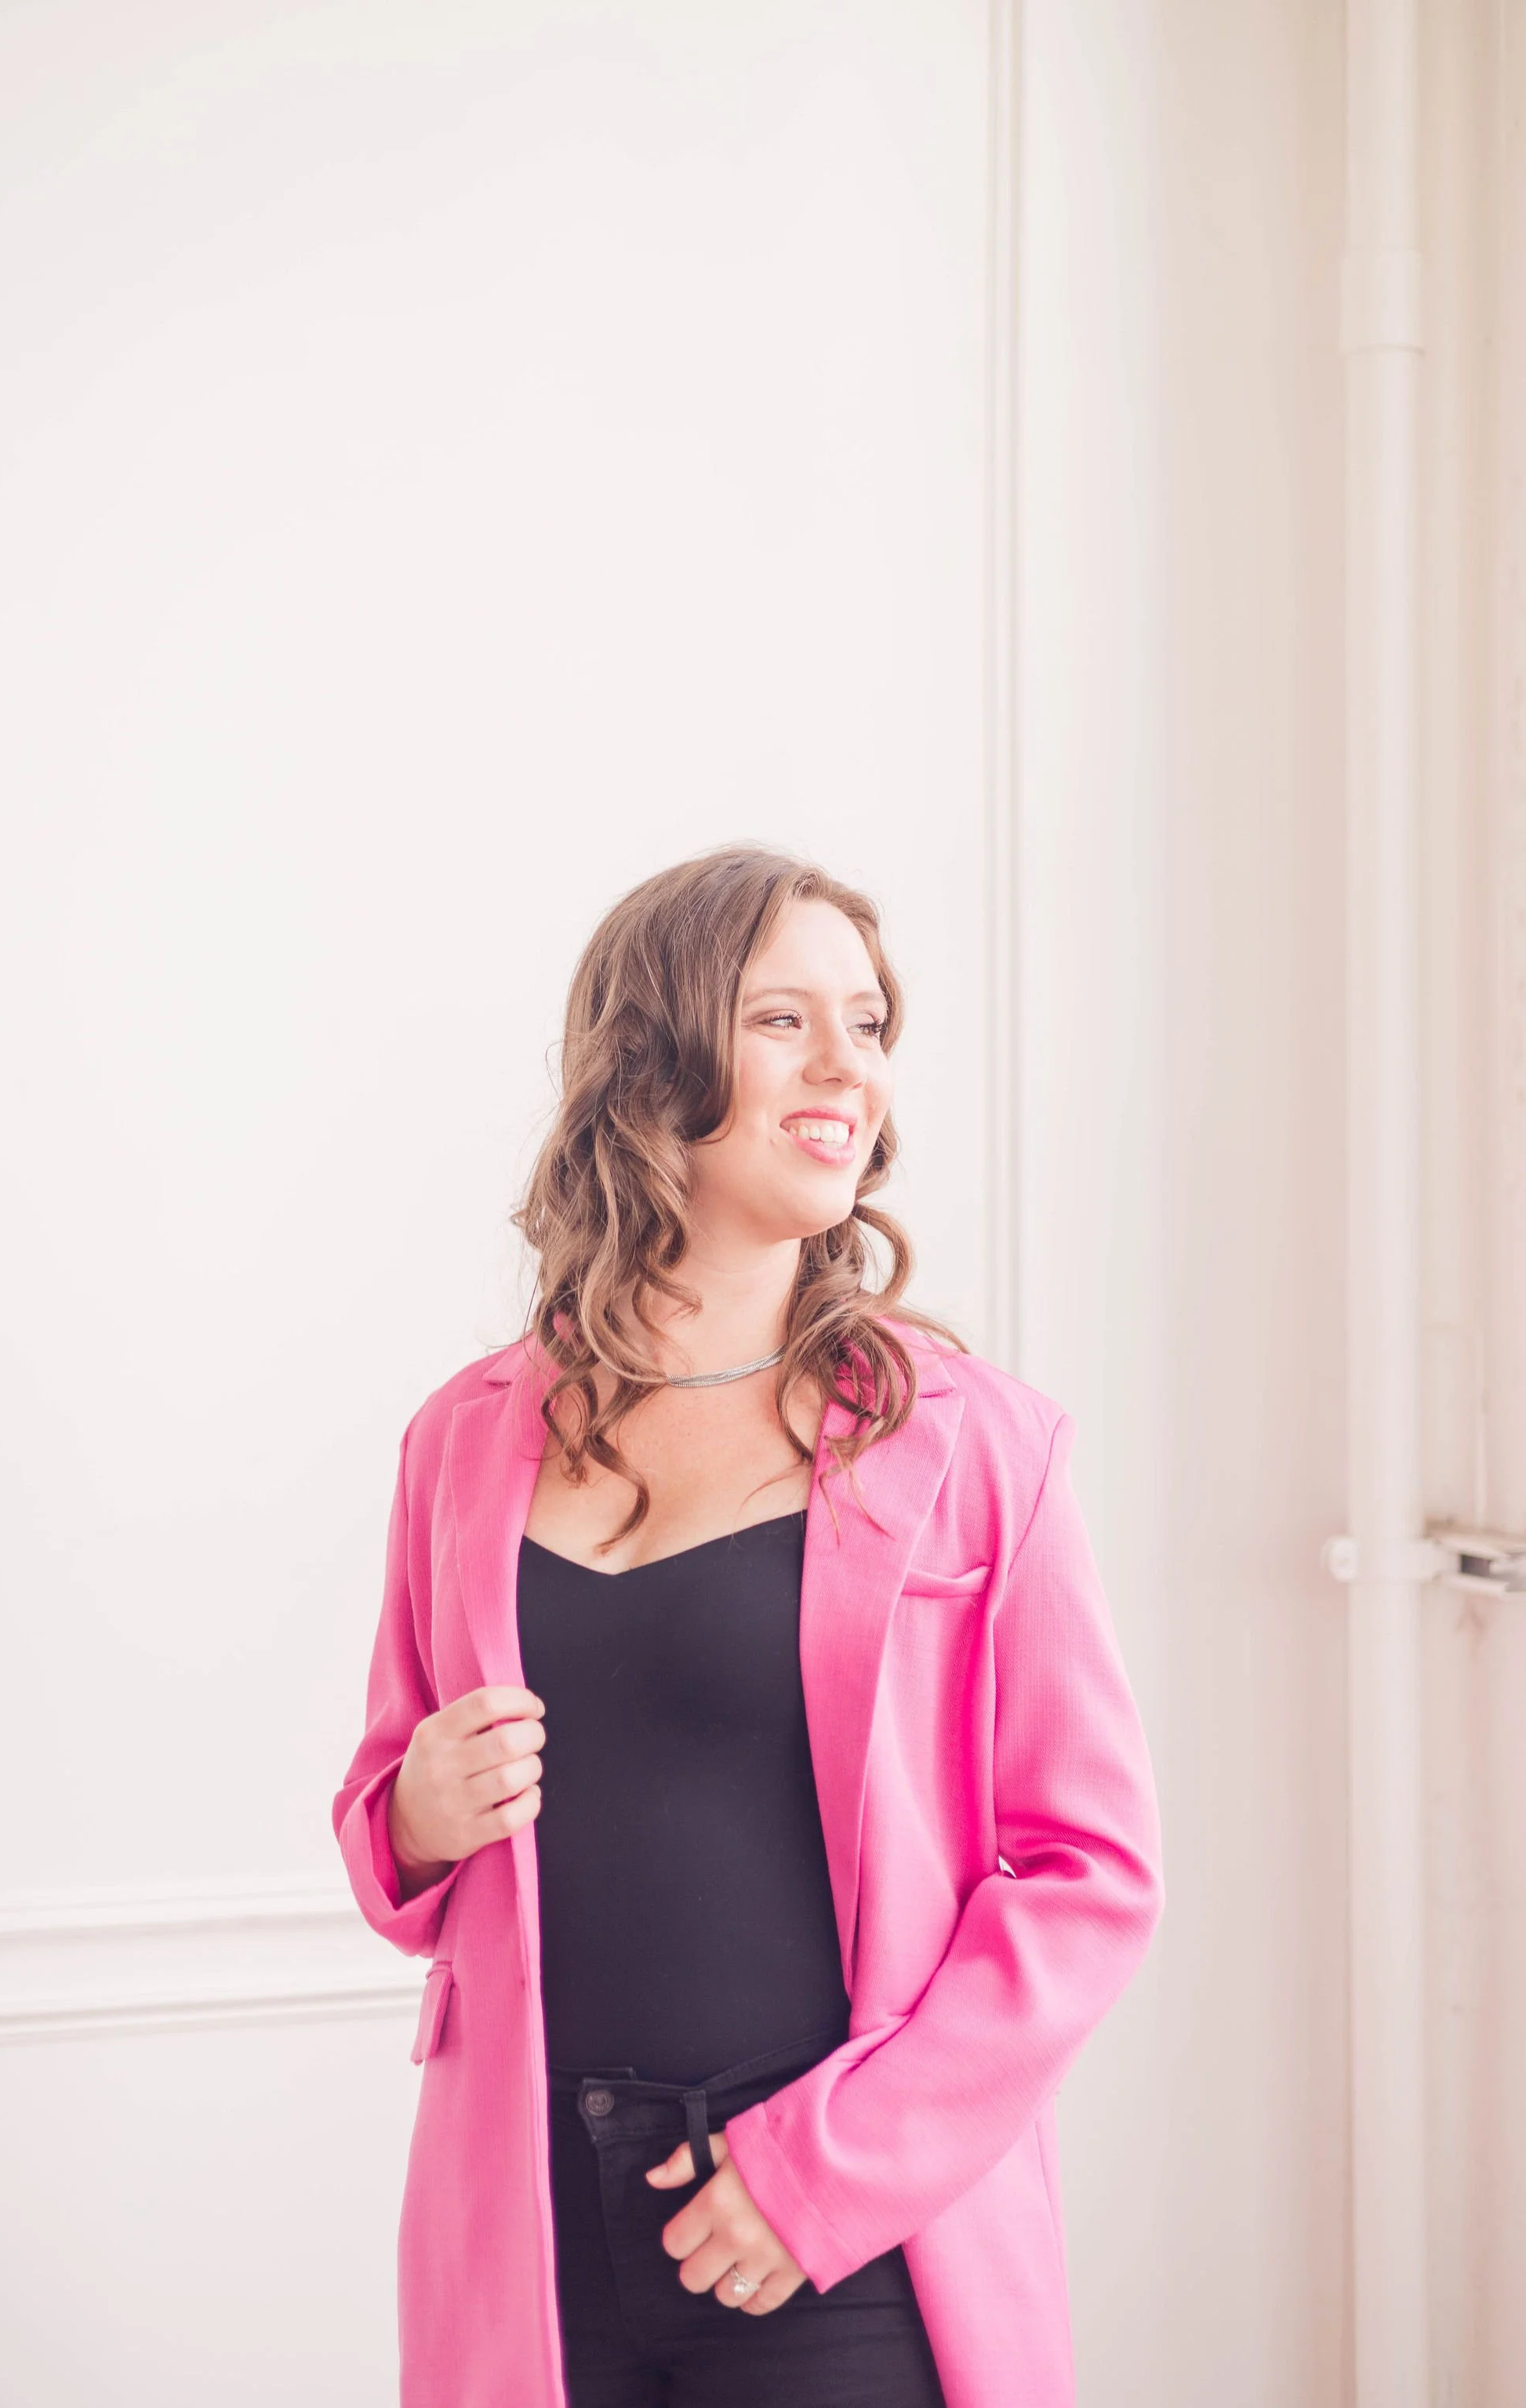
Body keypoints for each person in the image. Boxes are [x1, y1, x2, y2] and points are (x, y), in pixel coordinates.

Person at [332, 844, 1165, 2408]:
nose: (848, 1065)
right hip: (527, 2226)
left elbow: (1089, 1872)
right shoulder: (463, 1439)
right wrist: (418, 1815)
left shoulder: (975, 1441)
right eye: (786, 1019)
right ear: (651, 1067)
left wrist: (819, 2175)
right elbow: (391, 1818)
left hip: (840, 2241)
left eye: (868, 1021)